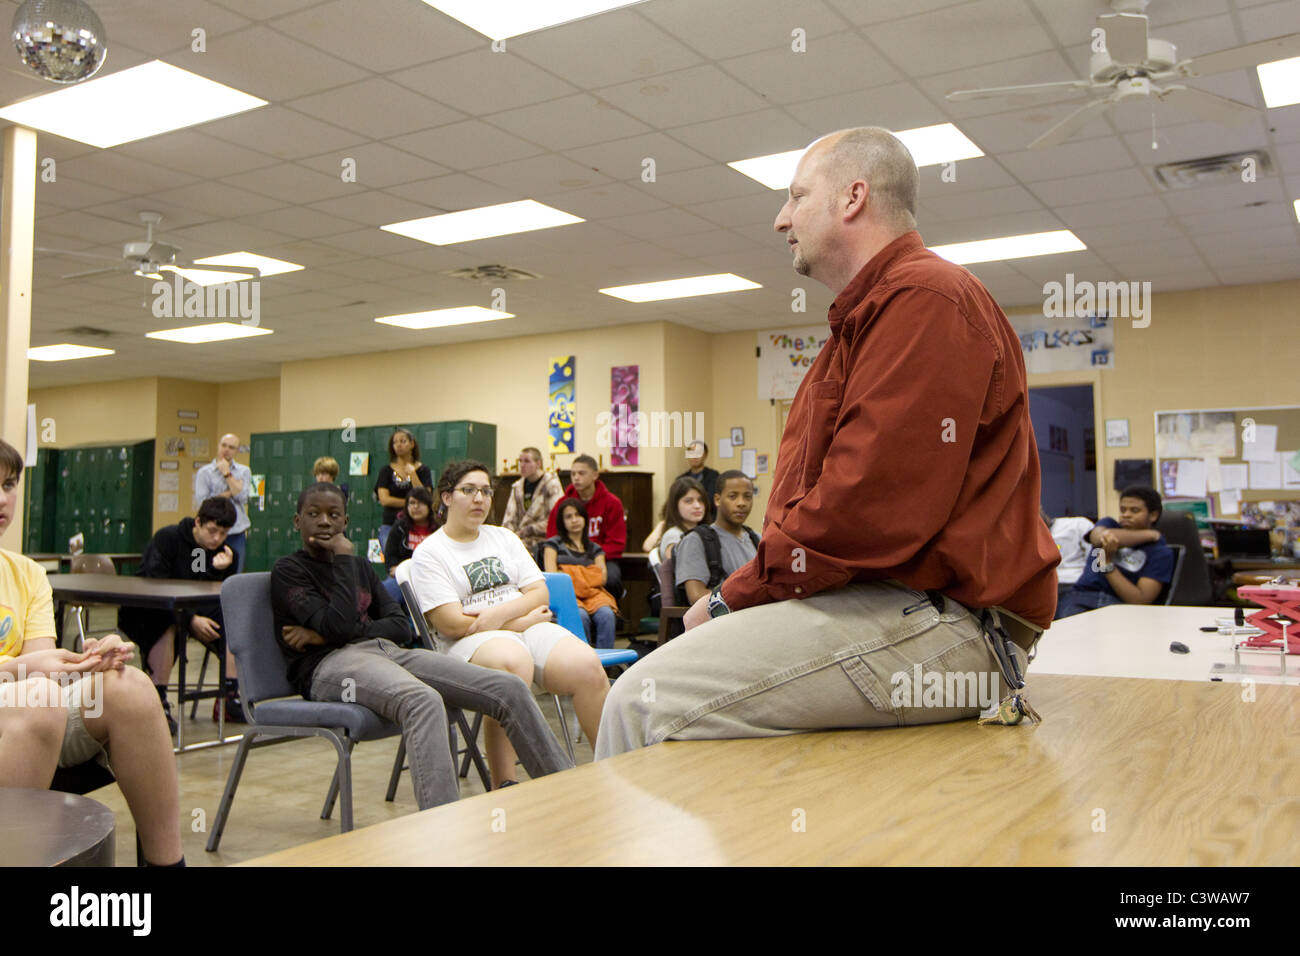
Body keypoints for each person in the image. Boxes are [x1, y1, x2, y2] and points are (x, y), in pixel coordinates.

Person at [596, 127, 1059, 759]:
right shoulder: (871, 317)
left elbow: (866, 508)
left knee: (640, 699)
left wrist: (733, 598)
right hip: (899, 613)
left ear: (852, 197)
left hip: (951, 628)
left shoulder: (925, 299)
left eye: (796, 196)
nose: (781, 218)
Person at [271, 482, 572, 802]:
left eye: (334, 515)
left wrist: (330, 632)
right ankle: (443, 825)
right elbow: (341, 626)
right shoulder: (289, 571)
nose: (324, 522)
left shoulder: (359, 567)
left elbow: (401, 626)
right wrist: (344, 568)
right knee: (424, 700)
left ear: (345, 523)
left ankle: (567, 793)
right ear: (297, 521)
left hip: (387, 651)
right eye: (313, 514)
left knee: (506, 688)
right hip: (329, 666)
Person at [0, 438, 184, 866]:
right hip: (25, 707)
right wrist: (28, 667)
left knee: (131, 687)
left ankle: (166, 866)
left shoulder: (26, 574)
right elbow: (32, 673)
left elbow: (42, 671)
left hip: (26, 710)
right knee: (41, 700)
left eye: (9, 484)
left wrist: (87, 663)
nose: (2, 498)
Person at [408, 460, 610, 785]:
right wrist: (519, 619)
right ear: (446, 497)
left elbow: (539, 592)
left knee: (586, 665)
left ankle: (612, 770)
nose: (480, 499)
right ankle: (504, 787)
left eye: (486, 491)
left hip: (518, 626)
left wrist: (500, 615)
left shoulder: (503, 538)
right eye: (469, 490)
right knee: (512, 666)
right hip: (465, 646)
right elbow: (451, 623)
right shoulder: (430, 553)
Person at [117, 497, 243, 730]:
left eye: (223, 534)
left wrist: (219, 571)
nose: (217, 539)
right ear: (198, 522)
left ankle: (229, 694)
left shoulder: (217, 553)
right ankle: (159, 698)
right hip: (148, 608)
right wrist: (189, 620)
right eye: (212, 531)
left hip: (189, 608)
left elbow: (204, 589)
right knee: (167, 620)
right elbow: (155, 584)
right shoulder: (169, 538)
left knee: (233, 616)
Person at [1054, 487, 1173, 619]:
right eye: (1123, 510)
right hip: (1081, 597)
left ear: (1153, 515)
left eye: (1135, 510)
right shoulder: (1109, 524)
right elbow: (1100, 537)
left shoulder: (1160, 552)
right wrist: (1150, 534)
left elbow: (1140, 599)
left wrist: (1107, 565)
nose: (1126, 515)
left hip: (1119, 605)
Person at [540, 498, 619, 649]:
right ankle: (584, 660)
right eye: (568, 517)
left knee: (607, 615)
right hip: (567, 596)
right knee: (580, 616)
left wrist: (569, 572)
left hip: (594, 595)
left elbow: (602, 578)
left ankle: (605, 665)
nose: (574, 520)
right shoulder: (552, 545)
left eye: (578, 515)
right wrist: (587, 574)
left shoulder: (595, 548)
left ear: (585, 518)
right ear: (561, 521)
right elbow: (554, 577)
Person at [545, 454, 627, 597]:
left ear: (595, 475)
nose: (576, 478)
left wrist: (591, 557)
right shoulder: (562, 503)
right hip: (567, 558)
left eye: (581, 473)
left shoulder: (612, 503)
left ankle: (611, 611)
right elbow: (552, 536)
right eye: (573, 474)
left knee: (612, 580)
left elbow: (617, 544)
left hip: (600, 558)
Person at [673, 471, 760, 605]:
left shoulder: (757, 539)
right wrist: (748, 599)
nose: (741, 503)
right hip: (721, 620)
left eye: (747, 497)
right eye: (733, 496)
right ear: (717, 500)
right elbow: (696, 596)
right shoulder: (696, 540)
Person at [194, 433, 253, 572]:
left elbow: (243, 498)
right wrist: (231, 491)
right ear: (218, 446)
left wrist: (227, 474)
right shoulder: (205, 472)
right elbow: (204, 504)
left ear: (237, 451)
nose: (226, 450)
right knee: (204, 570)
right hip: (211, 531)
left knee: (234, 573)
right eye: (224, 445)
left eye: (231, 447)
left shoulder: (244, 471)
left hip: (236, 532)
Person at [374, 428, 431, 551]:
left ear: (412, 444)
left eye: (403, 441)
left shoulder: (423, 470)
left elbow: (426, 497)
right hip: (391, 523)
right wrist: (411, 503)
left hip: (417, 525)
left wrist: (413, 475)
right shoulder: (386, 470)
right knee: (392, 557)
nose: (398, 445)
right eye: (395, 442)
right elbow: (384, 499)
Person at [502, 446, 564, 556]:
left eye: (527, 461)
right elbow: (509, 518)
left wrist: (529, 529)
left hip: (544, 541)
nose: (522, 465)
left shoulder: (551, 484)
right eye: (520, 461)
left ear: (538, 463)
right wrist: (507, 537)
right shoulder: (517, 487)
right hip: (520, 540)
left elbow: (557, 518)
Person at [381, 486, 436, 607]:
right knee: (385, 592)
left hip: (432, 578)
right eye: (412, 503)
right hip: (404, 577)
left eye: (420, 503)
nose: (415, 507)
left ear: (429, 506)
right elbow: (390, 559)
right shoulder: (399, 527)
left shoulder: (440, 528)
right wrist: (398, 570)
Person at [641, 475, 709, 560]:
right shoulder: (674, 536)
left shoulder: (705, 532)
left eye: (700, 500)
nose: (697, 506)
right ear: (675, 505)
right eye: (689, 501)